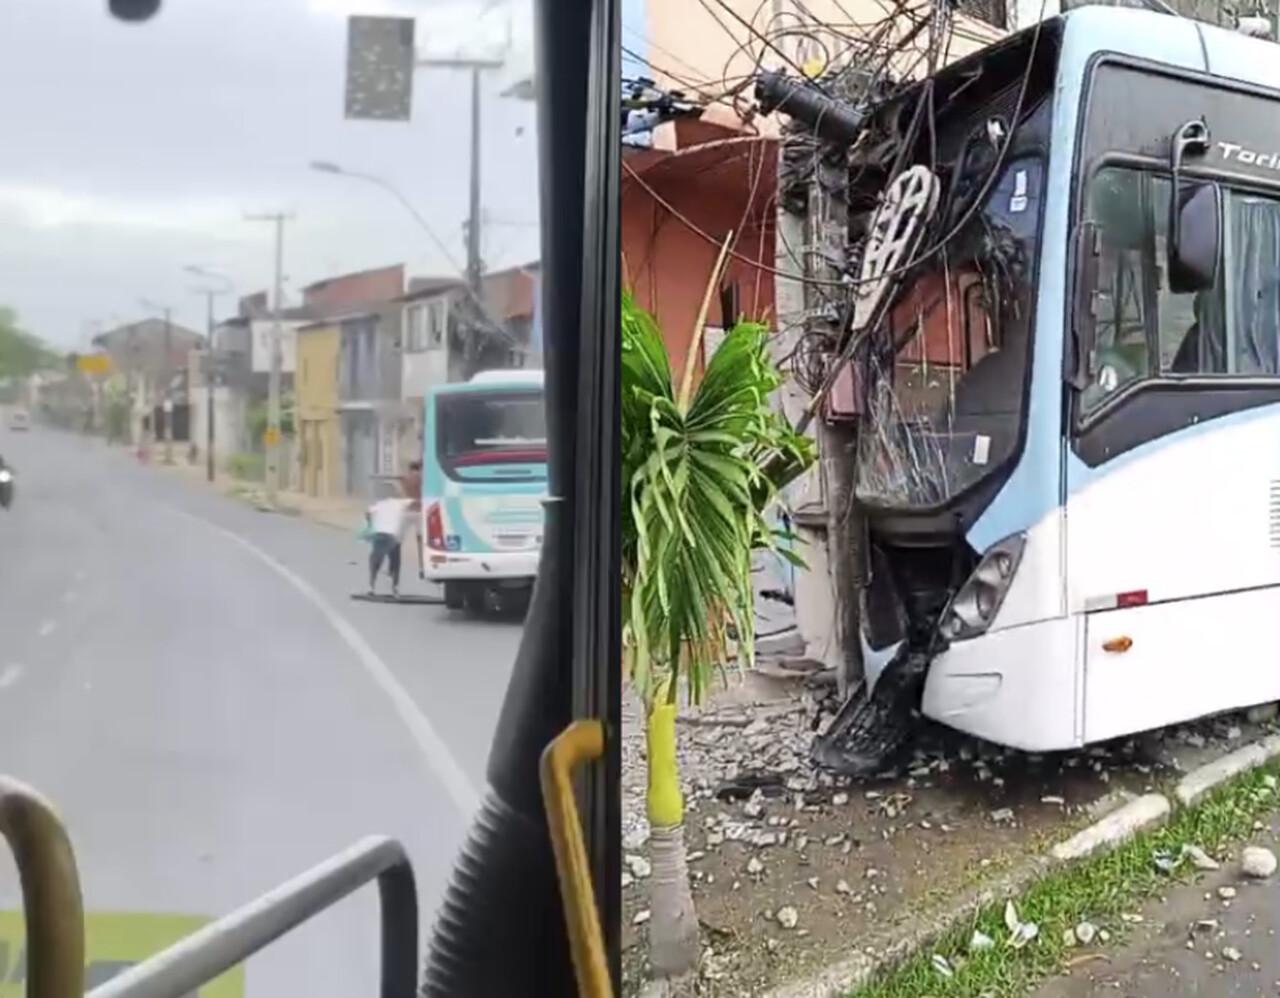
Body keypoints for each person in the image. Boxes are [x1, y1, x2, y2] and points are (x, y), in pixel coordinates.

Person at [365, 495, 412, 597]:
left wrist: (371, 525)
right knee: (395, 562)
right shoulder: (398, 504)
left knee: (376, 561)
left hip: (382, 534)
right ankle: (394, 588)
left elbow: (368, 513)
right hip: (391, 535)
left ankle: (372, 586)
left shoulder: (379, 504)